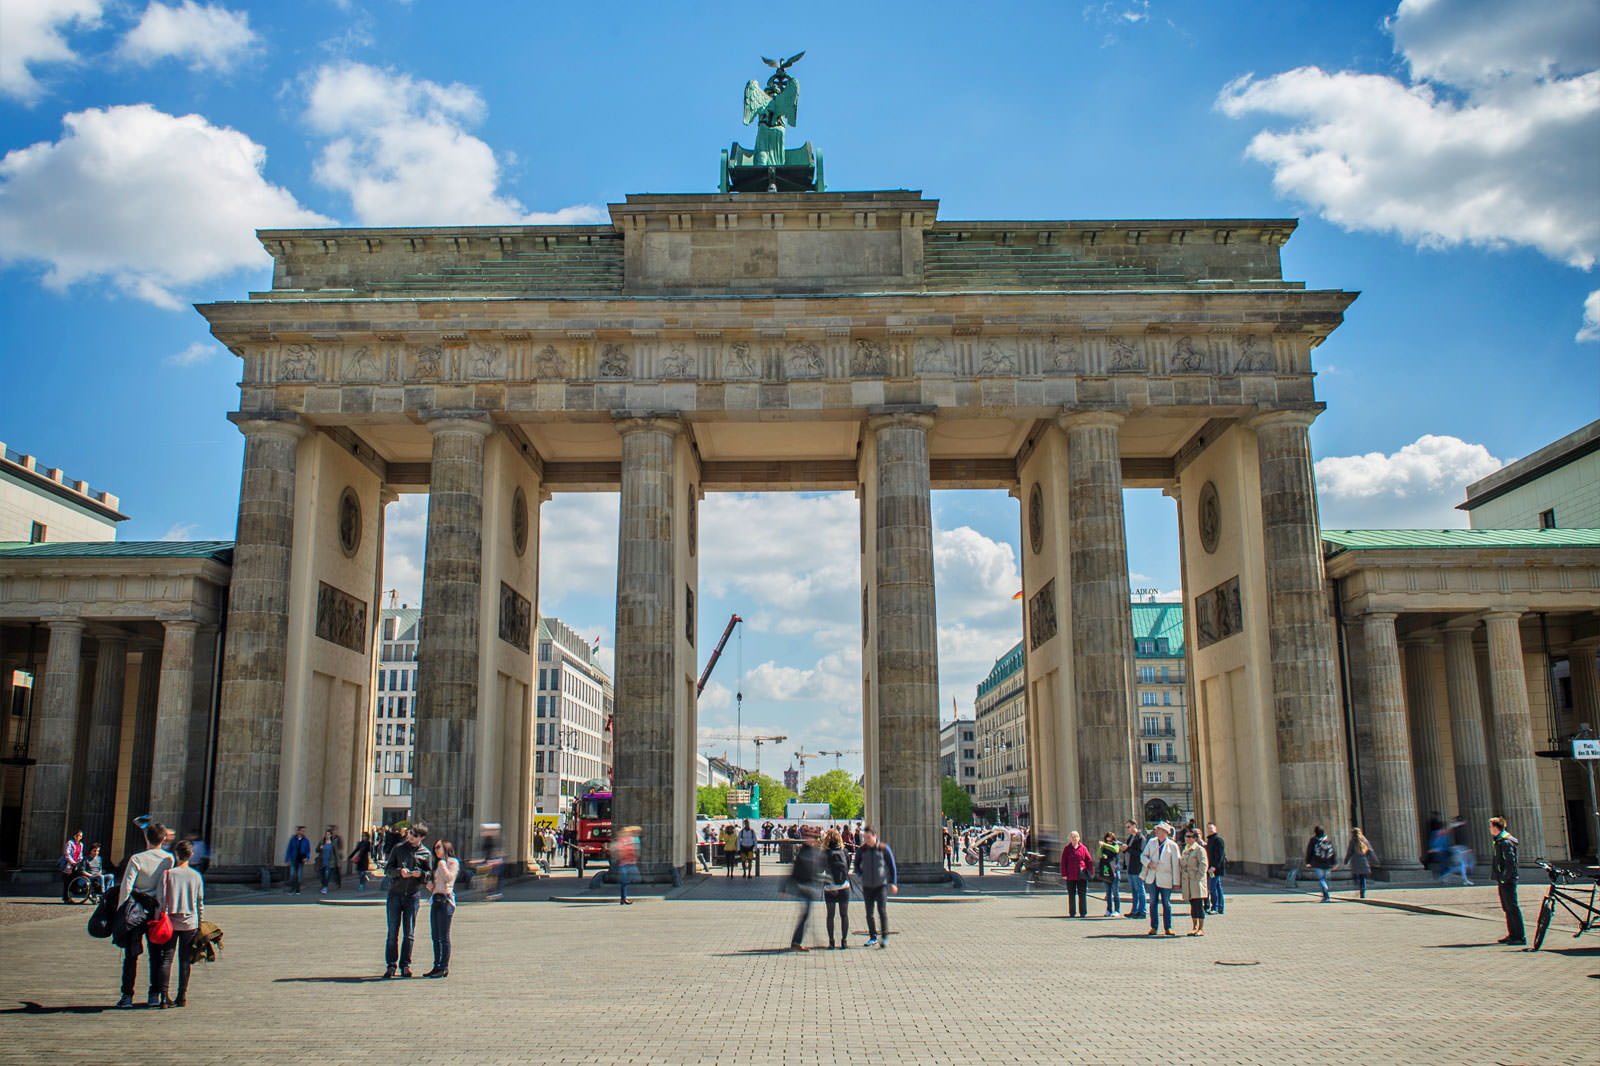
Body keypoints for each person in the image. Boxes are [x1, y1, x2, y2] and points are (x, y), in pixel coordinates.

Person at [116, 820, 175, 1008]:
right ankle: (154, 995)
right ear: (164, 838)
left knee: (131, 955)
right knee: (156, 954)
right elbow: (166, 886)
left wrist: (121, 910)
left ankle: (127, 996)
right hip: (155, 911)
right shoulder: (169, 859)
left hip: (135, 910)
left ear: (145, 838)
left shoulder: (137, 858)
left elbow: (126, 886)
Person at [157, 839, 204, 1007]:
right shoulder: (196, 876)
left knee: (166, 959)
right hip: (189, 923)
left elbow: (161, 900)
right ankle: (182, 996)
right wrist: (201, 922)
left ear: (176, 855)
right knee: (185, 960)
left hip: (169, 922)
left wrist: (158, 919)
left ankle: (163, 996)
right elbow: (199, 902)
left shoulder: (168, 874)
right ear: (191, 855)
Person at [382, 822, 432, 978]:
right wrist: (399, 872)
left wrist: (421, 875)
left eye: (415, 835)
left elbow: (429, 874)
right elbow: (388, 870)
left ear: (422, 837)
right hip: (395, 894)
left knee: (409, 933)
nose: (411, 836)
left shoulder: (425, 853)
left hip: (412, 896)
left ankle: (405, 965)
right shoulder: (398, 849)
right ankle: (391, 965)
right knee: (392, 933)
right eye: (410, 833)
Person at [854, 826, 898, 948]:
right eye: (865, 838)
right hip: (867, 885)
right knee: (869, 913)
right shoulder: (862, 850)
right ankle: (873, 937)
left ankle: (884, 937)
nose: (867, 840)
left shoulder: (884, 849)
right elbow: (856, 864)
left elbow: (892, 866)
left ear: (875, 836)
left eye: (869, 837)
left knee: (882, 911)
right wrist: (860, 875)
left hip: (881, 885)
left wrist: (893, 883)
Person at [424, 838, 458, 977]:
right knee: (435, 936)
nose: (436, 849)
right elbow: (435, 882)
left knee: (444, 936)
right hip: (436, 900)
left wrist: (442, 864)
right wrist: (430, 885)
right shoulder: (437, 863)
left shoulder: (452, 863)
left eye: (438, 847)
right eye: (435, 847)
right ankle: (436, 965)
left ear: (446, 847)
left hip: (446, 902)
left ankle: (444, 966)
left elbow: (449, 878)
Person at [1140, 822, 1181, 937]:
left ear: (1165, 832)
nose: (1157, 832)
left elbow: (1176, 865)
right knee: (1153, 902)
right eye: (1156, 830)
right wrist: (1149, 863)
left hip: (1166, 878)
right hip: (1152, 878)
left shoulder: (1172, 845)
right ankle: (1154, 927)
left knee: (1166, 903)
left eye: (1159, 830)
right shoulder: (1151, 842)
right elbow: (1143, 856)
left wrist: (1176, 882)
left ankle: (1168, 927)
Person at [1490, 816, 1525, 946]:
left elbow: (1510, 862)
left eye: (1491, 826)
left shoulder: (1506, 841)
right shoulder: (1500, 840)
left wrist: (1504, 877)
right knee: (1507, 908)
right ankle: (1512, 934)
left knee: (1512, 907)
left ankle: (1519, 936)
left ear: (1495, 827)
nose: (1490, 829)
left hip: (1508, 880)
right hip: (1504, 879)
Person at [787, 827, 822, 950]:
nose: (811, 840)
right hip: (803, 886)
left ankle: (797, 941)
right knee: (805, 914)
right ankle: (796, 942)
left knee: (806, 914)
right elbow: (794, 870)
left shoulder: (815, 851)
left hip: (810, 886)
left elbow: (818, 867)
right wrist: (786, 887)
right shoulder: (804, 852)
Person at [821, 828, 851, 949]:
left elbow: (819, 869)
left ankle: (831, 941)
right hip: (844, 886)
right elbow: (848, 867)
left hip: (830, 887)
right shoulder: (844, 852)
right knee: (844, 915)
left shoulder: (824, 853)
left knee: (830, 915)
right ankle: (844, 941)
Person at [1180, 827, 1209, 936]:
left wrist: (1198, 877)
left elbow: (1203, 865)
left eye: (1189, 837)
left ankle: (1201, 928)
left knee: (1198, 904)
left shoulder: (1199, 849)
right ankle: (1194, 927)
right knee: (1192, 904)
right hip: (1187, 881)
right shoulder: (1186, 849)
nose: (1186, 839)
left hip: (1196, 881)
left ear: (1195, 838)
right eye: (1186, 836)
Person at [1059, 831, 1092, 919]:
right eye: (1073, 837)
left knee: (1082, 894)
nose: (1075, 838)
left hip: (1081, 875)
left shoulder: (1083, 848)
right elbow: (1063, 862)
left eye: (1076, 837)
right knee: (1071, 894)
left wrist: (1089, 872)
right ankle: (1072, 912)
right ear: (1070, 838)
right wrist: (1064, 874)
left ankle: (1083, 912)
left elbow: (1089, 860)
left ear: (1079, 838)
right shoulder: (1067, 849)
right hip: (1070, 875)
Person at [1302, 825, 1337, 902]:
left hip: (1317, 862)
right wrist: (1334, 862)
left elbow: (1309, 851)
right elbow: (1333, 851)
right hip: (1328, 862)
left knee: (1321, 879)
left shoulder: (1313, 840)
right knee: (1326, 878)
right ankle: (1326, 893)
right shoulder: (1328, 840)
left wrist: (1308, 862)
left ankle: (1325, 893)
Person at [1342, 827, 1377, 898]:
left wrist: (1346, 860)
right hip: (1364, 860)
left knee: (1357, 876)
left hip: (1355, 861)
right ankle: (1363, 889)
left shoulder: (1352, 841)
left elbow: (1349, 852)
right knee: (1362, 876)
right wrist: (1375, 861)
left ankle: (1359, 887)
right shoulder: (1365, 841)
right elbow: (1370, 851)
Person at [1123, 820, 1147, 919]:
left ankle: (1142, 910)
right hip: (1130, 866)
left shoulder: (1140, 838)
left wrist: (1127, 849)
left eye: (1129, 826)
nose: (1128, 829)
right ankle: (1134, 910)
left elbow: (1140, 852)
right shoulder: (1130, 838)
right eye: (1127, 827)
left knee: (1140, 888)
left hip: (1137, 866)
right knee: (1133, 890)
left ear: (1134, 826)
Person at [1096, 832, 1123, 917]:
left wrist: (1104, 844)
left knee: (1115, 892)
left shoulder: (1116, 845)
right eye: (1107, 837)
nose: (1108, 839)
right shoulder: (1104, 846)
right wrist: (1101, 848)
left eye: (1110, 838)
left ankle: (1117, 910)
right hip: (1106, 870)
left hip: (1114, 870)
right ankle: (1109, 909)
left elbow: (1115, 850)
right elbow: (1099, 854)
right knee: (1108, 892)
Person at [612, 825, 640, 905]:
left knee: (625, 881)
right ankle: (623, 898)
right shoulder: (627, 840)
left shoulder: (628, 839)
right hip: (626, 863)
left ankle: (623, 898)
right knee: (625, 881)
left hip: (627, 863)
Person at [1204, 822, 1226, 915]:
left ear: (1215, 829)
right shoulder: (1210, 840)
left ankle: (1215, 907)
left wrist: (1214, 866)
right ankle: (1220, 907)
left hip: (1215, 869)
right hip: (1211, 868)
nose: (1210, 830)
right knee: (1217, 887)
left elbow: (1220, 855)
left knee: (1213, 888)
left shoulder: (1218, 840)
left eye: (1211, 829)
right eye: (1208, 829)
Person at [1445, 816, 1474, 885]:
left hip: (1459, 848)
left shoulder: (1455, 827)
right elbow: (1460, 840)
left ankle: (1447, 875)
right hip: (1459, 848)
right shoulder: (1458, 828)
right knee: (1463, 865)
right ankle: (1464, 879)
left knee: (1462, 865)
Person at [284, 826, 310, 894]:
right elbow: (289, 849)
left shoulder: (306, 840)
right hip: (293, 859)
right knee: (293, 874)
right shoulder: (293, 839)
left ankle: (298, 889)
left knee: (299, 875)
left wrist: (307, 858)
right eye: (302, 831)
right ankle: (292, 888)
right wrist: (287, 859)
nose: (303, 832)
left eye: (304, 831)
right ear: (298, 831)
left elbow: (308, 850)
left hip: (301, 860)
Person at [61, 830, 84, 902]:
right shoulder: (70, 843)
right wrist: (73, 862)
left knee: (73, 880)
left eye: (80, 836)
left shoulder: (81, 844)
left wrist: (80, 861)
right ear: (74, 836)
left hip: (76, 865)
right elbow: (67, 854)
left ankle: (72, 894)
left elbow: (80, 855)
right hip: (69, 865)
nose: (78, 837)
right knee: (67, 882)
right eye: (77, 835)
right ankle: (66, 898)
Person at [317, 828, 341, 894]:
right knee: (322, 875)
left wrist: (338, 862)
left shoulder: (333, 843)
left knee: (327, 875)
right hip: (322, 861)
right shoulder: (322, 842)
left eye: (328, 834)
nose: (327, 835)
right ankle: (323, 885)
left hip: (330, 862)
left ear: (330, 835)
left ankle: (325, 887)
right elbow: (317, 850)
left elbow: (336, 853)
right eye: (326, 834)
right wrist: (320, 848)